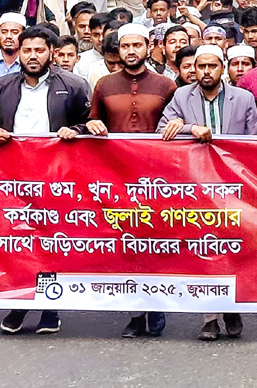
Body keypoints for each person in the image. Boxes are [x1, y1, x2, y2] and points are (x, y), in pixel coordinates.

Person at [0, 25, 89, 337]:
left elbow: (89, 123)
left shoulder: (74, 85)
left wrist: (75, 131)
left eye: (39, 50)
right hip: (11, 178)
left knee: (50, 242)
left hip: (56, 179)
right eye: (27, 50)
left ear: (51, 53)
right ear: (18, 53)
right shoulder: (1, 87)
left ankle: (49, 308)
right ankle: (20, 302)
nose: (33, 56)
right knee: (18, 241)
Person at [86, 23, 177, 338]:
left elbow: (175, 122)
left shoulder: (166, 85)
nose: (131, 51)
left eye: (137, 45)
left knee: (156, 243)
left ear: (147, 46)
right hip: (118, 176)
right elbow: (92, 120)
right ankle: (136, 312)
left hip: (157, 179)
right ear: (118, 49)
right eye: (125, 46)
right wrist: (93, 125)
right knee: (128, 245)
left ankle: (158, 307)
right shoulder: (104, 85)